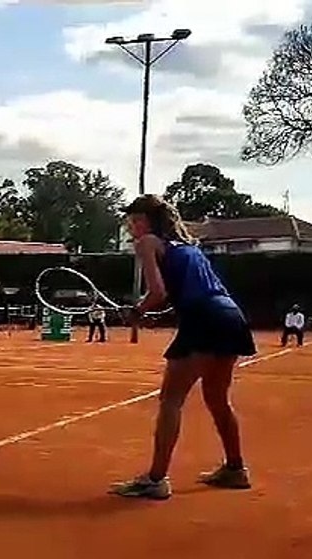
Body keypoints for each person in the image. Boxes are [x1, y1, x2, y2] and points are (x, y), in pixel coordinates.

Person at [110, 195, 257, 501]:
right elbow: (186, 294)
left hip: (204, 319)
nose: (132, 227)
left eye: (136, 220)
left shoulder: (147, 243)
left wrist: (137, 311)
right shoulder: (188, 248)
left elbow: (158, 292)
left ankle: (156, 479)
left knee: (171, 400)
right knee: (217, 399)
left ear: (149, 222)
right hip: (230, 315)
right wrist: (152, 313)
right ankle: (235, 469)